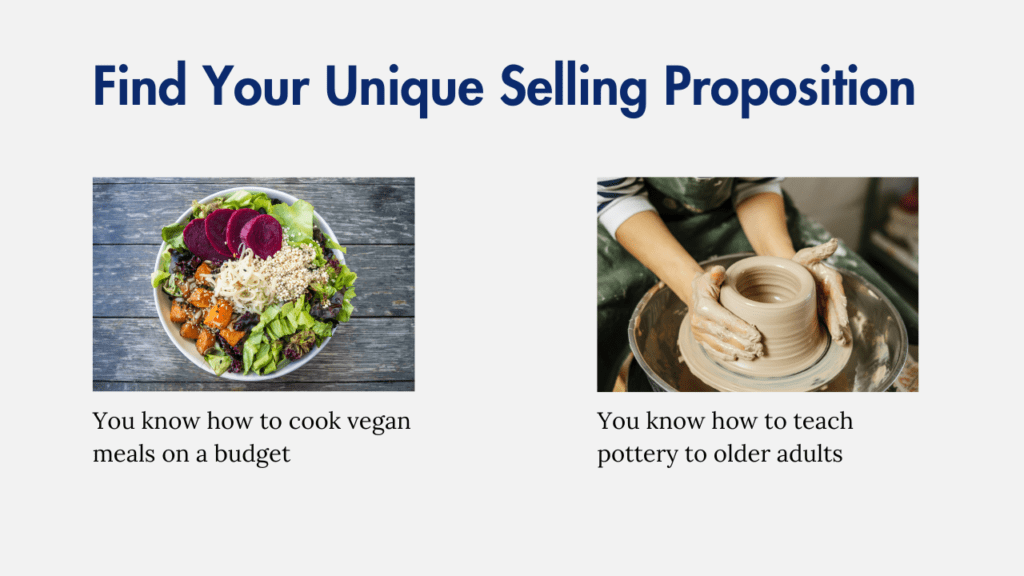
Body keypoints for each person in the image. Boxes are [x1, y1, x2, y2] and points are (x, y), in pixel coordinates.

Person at [597, 177, 918, 391]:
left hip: (738, 214)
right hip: (632, 221)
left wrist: (789, 265)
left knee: (866, 312)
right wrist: (691, 285)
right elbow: (615, 194)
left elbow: (757, 181)